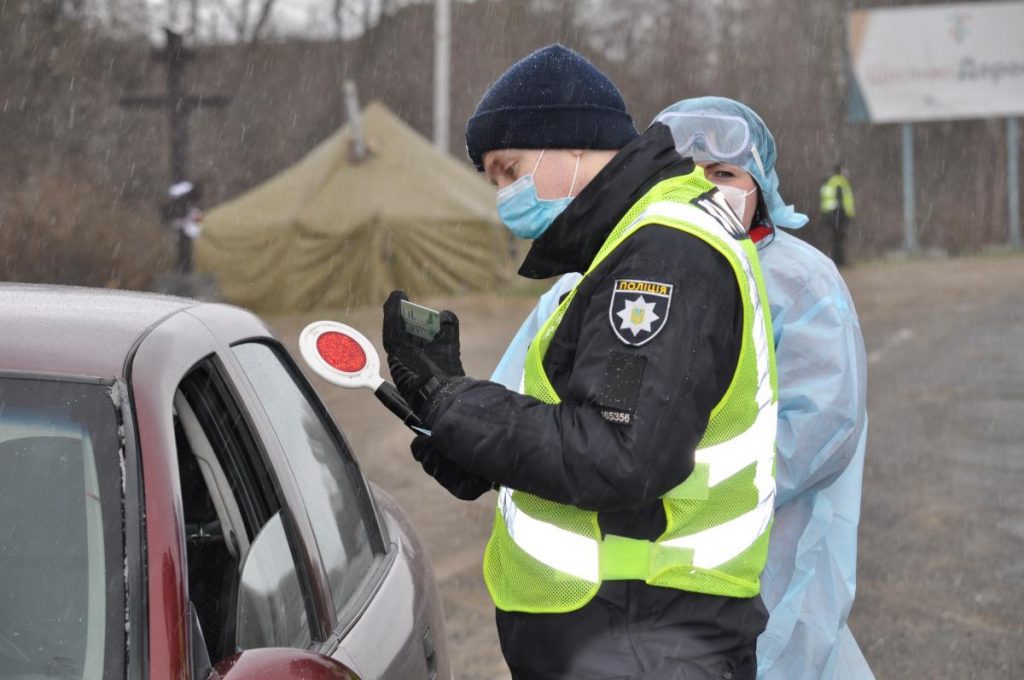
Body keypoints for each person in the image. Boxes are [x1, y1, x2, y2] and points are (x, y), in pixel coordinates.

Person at [381, 46, 778, 679]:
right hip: (627, 635)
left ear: (571, 143)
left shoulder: (663, 257)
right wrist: (466, 437)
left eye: (509, 170)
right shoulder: (628, 245)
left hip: (645, 638)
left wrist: (459, 404)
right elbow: (592, 422)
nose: (504, 196)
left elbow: (618, 454)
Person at [493, 96, 873, 679]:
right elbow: (521, 384)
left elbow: (822, 425)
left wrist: (669, 480)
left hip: (757, 549)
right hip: (611, 586)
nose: (704, 187)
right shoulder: (605, 267)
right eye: (689, 171)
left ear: (760, 186)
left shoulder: (800, 283)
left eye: (723, 174)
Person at [820, 164, 856, 267]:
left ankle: (837, 261)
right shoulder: (840, 181)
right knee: (839, 238)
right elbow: (840, 201)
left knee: (836, 239)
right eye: (844, 170)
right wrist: (845, 215)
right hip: (837, 215)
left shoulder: (829, 181)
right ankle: (840, 261)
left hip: (830, 214)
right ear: (840, 171)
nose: (846, 172)